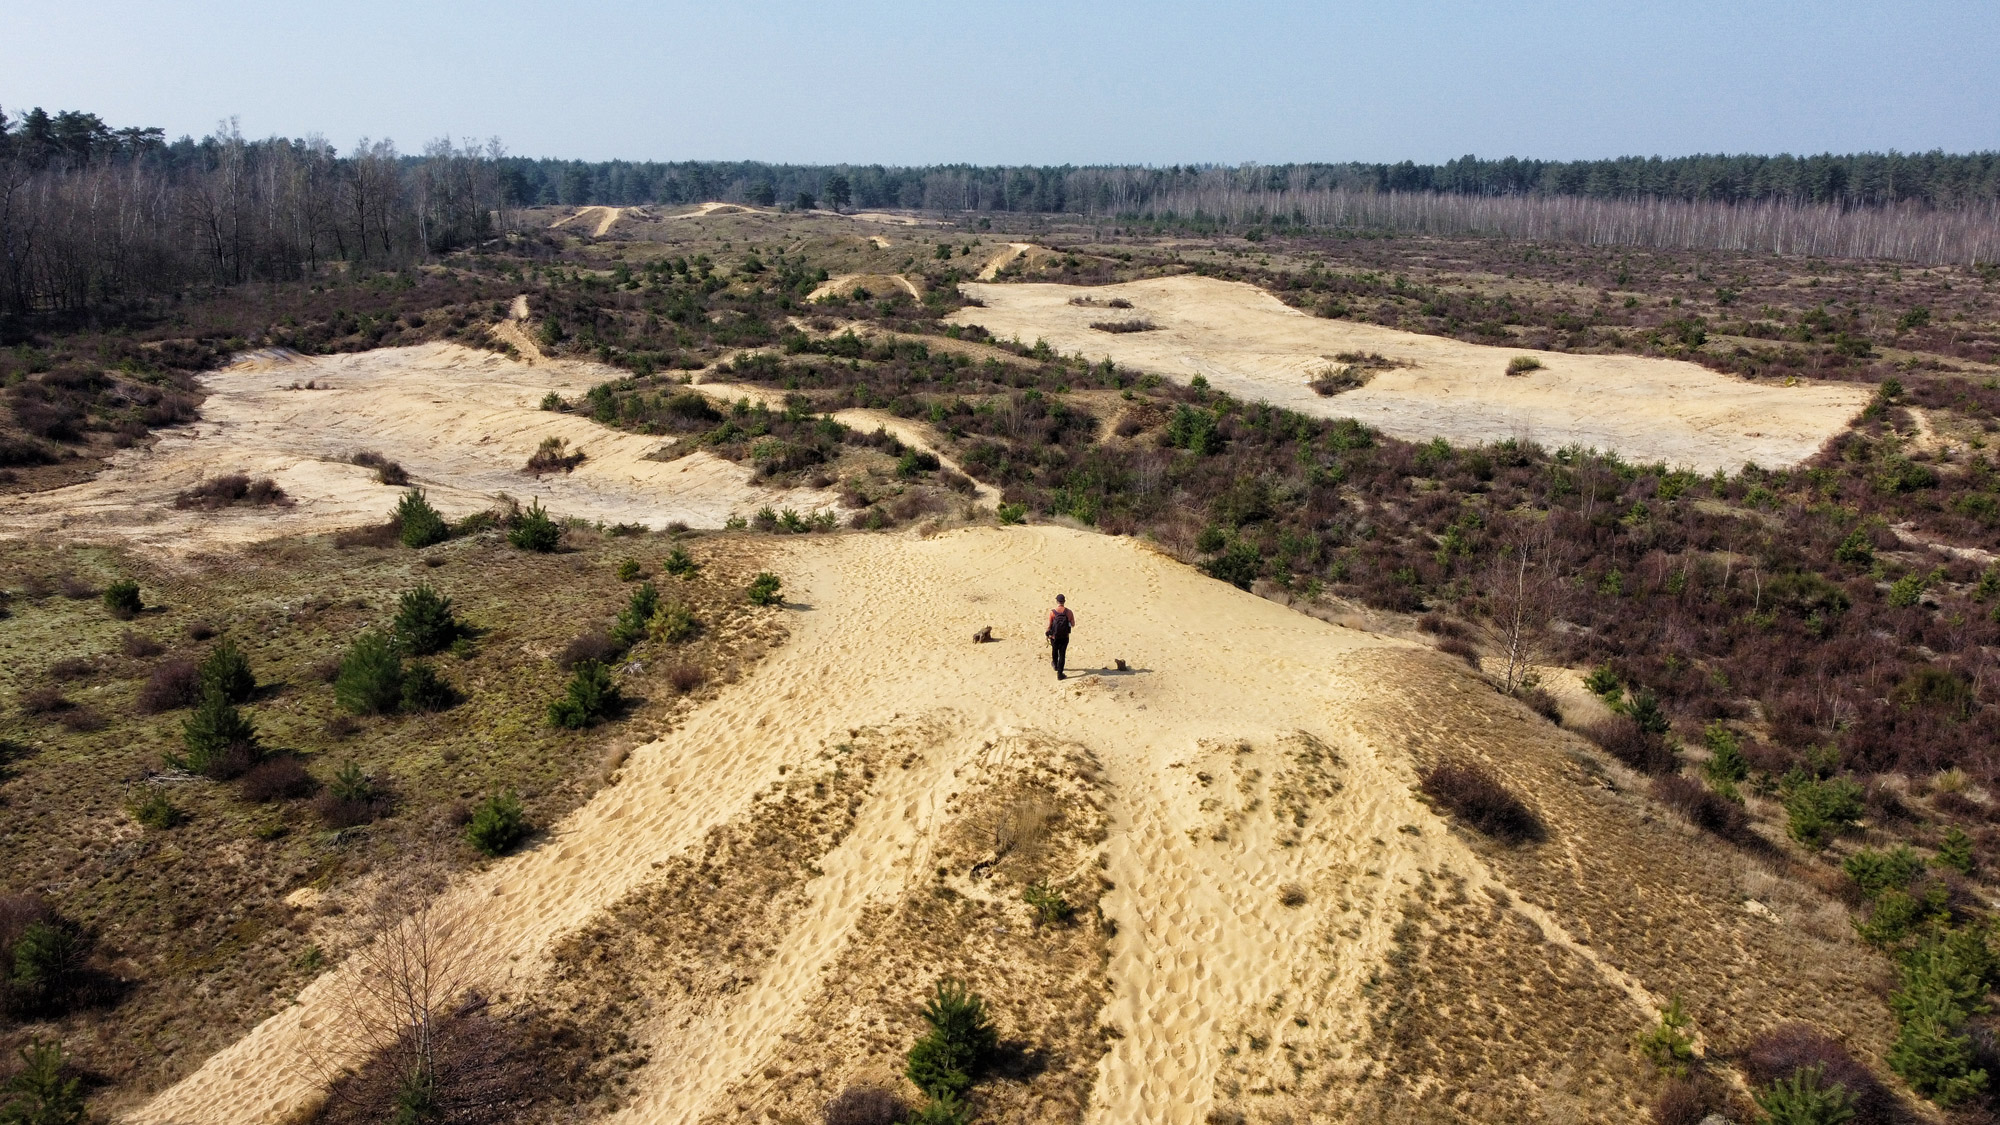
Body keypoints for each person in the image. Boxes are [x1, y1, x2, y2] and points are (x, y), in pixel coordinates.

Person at [1046, 594, 1075, 680]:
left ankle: (1055, 665)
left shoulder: (1053, 612)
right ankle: (1060, 674)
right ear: (1064, 601)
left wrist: (1048, 633)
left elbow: (1049, 624)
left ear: (1057, 601)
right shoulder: (1069, 612)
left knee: (1054, 650)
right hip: (1065, 637)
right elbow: (1073, 624)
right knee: (1062, 654)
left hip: (1054, 636)